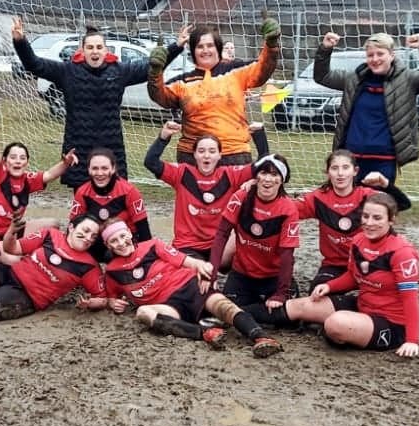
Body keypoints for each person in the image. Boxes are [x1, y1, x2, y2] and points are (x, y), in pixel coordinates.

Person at [11, 18, 185, 188]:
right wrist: (20, 42)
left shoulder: (119, 71)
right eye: (90, 47)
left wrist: (176, 46)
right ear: (83, 50)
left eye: (99, 47)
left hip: (111, 145)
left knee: (114, 200)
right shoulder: (67, 71)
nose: (95, 51)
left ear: (105, 50)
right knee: (83, 202)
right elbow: (34, 64)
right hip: (79, 146)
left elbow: (153, 65)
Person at [312, 29, 419, 191]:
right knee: (349, 208)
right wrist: (325, 48)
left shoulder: (408, 79)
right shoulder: (354, 79)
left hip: (384, 158)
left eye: (380, 54)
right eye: (370, 55)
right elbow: (322, 76)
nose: (375, 59)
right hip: (350, 158)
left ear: (392, 55)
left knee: (378, 207)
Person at [291, 191, 419, 357]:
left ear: (391, 219)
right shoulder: (359, 240)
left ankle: (344, 331)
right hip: (363, 307)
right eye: (365, 216)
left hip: (391, 323)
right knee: (300, 306)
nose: (369, 222)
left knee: (335, 323)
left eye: (377, 218)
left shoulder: (403, 253)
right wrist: (329, 286)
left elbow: (410, 298)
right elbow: (354, 277)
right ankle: (248, 315)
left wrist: (412, 340)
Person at [198, 154, 300, 358]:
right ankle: (255, 314)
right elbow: (221, 235)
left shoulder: (288, 208)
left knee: (290, 320)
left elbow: (288, 255)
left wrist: (280, 292)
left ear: (282, 179)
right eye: (264, 172)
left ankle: (262, 308)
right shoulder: (241, 197)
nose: (268, 179)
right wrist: (212, 273)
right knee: (227, 307)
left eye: (274, 174)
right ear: (256, 175)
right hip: (242, 274)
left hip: (271, 277)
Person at [147, 15, 282, 164]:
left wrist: (271, 45)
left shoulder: (236, 71)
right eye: (199, 46)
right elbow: (159, 96)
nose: (205, 50)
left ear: (218, 48)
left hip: (234, 153)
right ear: (193, 52)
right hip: (192, 156)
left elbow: (263, 70)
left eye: (210, 45)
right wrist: (155, 72)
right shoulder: (182, 82)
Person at [88, 218, 228, 348]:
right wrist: (111, 302)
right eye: (113, 241)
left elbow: (185, 260)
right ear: (108, 245)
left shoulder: (152, 245)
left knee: (229, 310)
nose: (120, 243)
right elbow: (111, 296)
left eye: (123, 236)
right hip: (168, 307)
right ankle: (202, 333)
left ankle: (235, 324)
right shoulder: (112, 271)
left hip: (189, 290)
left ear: (129, 233)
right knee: (143, 313)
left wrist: (204, 271)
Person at [143, 119, 269, 261]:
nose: (206, 155)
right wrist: (163, 137)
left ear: (219, 155)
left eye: (212, 151)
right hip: (187, 246)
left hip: (220, 245)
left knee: (252, 254)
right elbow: (150, 162)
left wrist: (259, 136)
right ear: (195, 155)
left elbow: (263, 165)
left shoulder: (231, 174)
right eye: (201, 151)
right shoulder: (181, 173)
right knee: (195, 278)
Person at [293, 149, 390, 301]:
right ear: (327, 172)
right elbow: (285, 210)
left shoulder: (367, 196)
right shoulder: (318, 198)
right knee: (317, 294)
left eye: (345, 168)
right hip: (335, 266)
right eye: (334, 168)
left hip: (367, 264)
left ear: (355, 171)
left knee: (379, 299)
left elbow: (396, 207)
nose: (340, 173)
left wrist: (386, 185)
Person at [0, 114, 76, 231]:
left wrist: (65, 163)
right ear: (5, 161)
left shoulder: (28, 179)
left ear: (26, 162)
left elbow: (50, 175)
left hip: (13, 232)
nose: (18, 161)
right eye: (13, 157)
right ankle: (4, 248)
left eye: (22, 158)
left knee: (53, 223)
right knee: (3, 248)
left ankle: (14, 246)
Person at [68, 147, 151, 261]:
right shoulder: (82, 192)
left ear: (113, 169)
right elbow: (72, 228)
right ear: (88, 170)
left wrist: (147, 257)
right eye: (95, 168)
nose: (99, 173)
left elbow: (143, 228)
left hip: (122, 242)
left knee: (113, 258)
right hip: (95, 242)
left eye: (104, 168)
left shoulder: (129, 191)